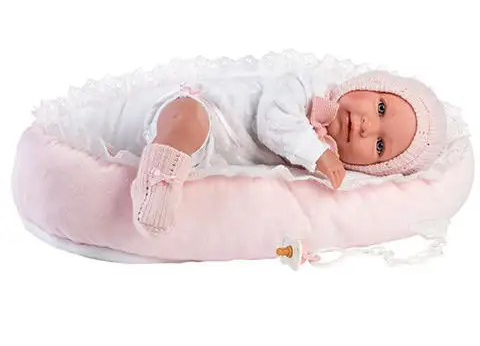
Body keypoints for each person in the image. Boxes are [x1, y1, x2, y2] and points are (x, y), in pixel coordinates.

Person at [130, 66, 447, 237]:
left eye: (379, 145)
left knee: (194, 153)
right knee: (187, 122)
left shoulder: (331, 164)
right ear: (368, 84)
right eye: (380, 108)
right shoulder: (306, 85)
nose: (367, 125)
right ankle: (157, 183)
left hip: (210, 155)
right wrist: (318, 154)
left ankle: (171, 178)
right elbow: (273, 122)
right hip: (205, 109)